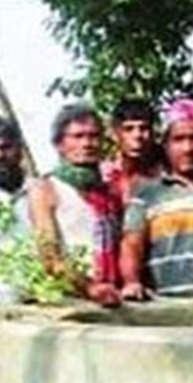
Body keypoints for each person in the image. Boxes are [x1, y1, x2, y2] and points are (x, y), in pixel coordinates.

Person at [119, 98, 193, 299]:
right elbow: (132, 245)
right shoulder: (146, 193)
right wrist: (132, 281)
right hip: (163, 307)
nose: (187, 148)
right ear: (165, 145)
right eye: (178, 139)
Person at [29, 104, 123, 307]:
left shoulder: (109, 191)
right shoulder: (46, 189)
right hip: (72, 299)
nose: (87, 143)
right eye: (78, 136)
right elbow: (50, 258)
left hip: (113, 296)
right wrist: (89, 288)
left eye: (94, 136)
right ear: (59, 144)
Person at [101, 99, 161, 202]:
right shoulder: (104, 177)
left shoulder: (167, 174)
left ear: (152, 133)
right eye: (128, 129)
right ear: (114, 134)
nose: (137, 135)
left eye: (144, 128)